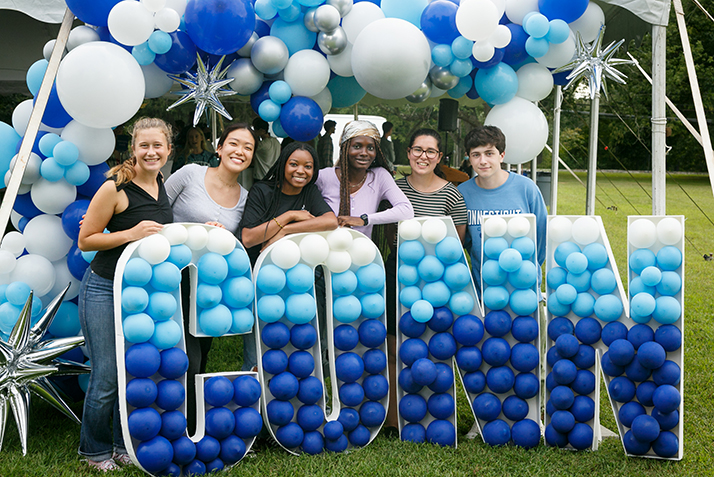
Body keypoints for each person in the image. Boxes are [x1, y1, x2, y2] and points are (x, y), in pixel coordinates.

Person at [77, 118, 174, 472]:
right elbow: (86, 239)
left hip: (139, 292)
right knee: (105, 375)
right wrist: (129, 233)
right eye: (143, 146)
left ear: (167, 150)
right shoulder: (114, 187)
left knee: (132, 371)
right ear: (132, 149)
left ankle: (122, 445)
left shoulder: (161, 183)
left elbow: (160, 232)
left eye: (157, 146)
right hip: (104, 287)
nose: (151, 152)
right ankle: (94, 451)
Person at [164, 122, 256, 433]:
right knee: (182, 351)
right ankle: (179, 420)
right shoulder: (190, 173)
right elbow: (156, 208)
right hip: (171, 276)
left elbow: (237, 244)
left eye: (247, 147)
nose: (239, 151)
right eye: (234, 143)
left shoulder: (245, 197)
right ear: (219, 148)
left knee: (202, 351)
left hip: (208, 288)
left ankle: (191, 416)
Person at [384, 128, 468, 430]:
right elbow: (389, 232)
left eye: (430, 151)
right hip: (399, 271)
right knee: (394, 342)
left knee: (434, 343)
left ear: (440, 157)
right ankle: (395, 417)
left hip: (437, 278)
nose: (423, 156)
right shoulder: (394, 188)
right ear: (408, 153)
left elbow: (456, 242)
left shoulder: (451, 193)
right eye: (417, 150)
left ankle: (434, 409)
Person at [239, 142, 338, 369]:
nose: (300, 171)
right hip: (262, 279)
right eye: (294, 164)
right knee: (258, 353)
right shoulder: (262, 191)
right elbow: (249, 238)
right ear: (283, 164)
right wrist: (290, 216)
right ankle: (255, 399)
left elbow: (330, 221)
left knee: (297, 349)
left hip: (298, 281)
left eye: (308, 166)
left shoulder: (310, 192)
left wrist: (285, 231)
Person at [458, 125, 547, 296]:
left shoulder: (526, 188)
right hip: (484, 290)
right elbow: (465, 242)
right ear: (469, 158)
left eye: (489, 153)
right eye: (476, 155)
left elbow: (541, 236)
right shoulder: (462, 193)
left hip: (524, 289)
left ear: (502, 156)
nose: (483, 161)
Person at [316, 120, 413, 241]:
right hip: (324, 253)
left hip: (364, 255)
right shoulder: (323, 177)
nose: (364, 153)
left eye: (370, 148)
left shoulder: (379, 176)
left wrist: (364, 219)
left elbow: (406, 210)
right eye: (357, 146)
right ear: (345, 148)